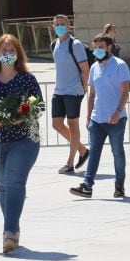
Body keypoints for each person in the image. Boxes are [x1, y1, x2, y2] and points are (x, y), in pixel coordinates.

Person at [0, 34, 43, 253]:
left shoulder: (27, 79)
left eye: (11, 50)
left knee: (14, 183)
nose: (7, 54)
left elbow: (38, 106)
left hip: (23, 140)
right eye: (3, 50)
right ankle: (12, 225)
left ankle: (9, 232)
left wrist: (25, 114)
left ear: (18, 53)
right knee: (2, 185)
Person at [70, 34, 130, 198]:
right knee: (94, 151)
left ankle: (119, 185)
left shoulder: (120, 65)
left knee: (117, 152)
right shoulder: (94, 67)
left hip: (116, 119)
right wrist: (89, 116)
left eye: (101, 47)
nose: (97, 50)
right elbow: (92, 93)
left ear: (109, 47)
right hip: (97, 119)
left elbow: (125, 92)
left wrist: (118, 112)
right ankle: (87, 185)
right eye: (95, 47)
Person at [50, 14, 89, 174]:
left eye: (62, 24)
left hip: (73, 91)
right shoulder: (54, 45)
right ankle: (83, 150)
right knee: (56, 124)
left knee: (73, 125)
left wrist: (84, 89)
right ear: (53, 27)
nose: (59, 26)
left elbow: (85, 69)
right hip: (58, 90)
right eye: (56, 24)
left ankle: (70, 162)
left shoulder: (76, 44)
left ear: (68, 26)